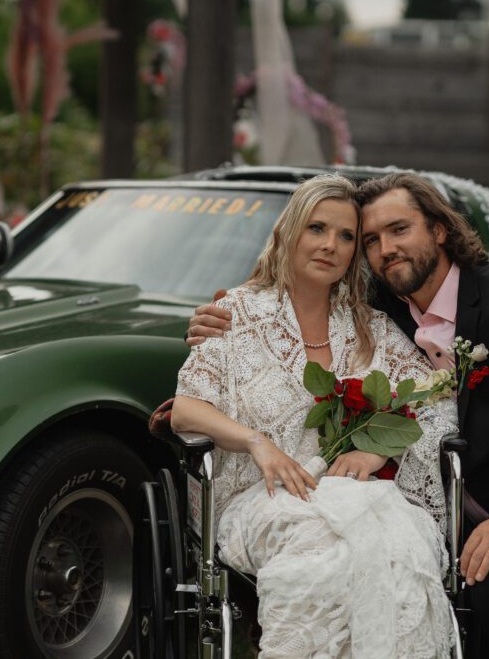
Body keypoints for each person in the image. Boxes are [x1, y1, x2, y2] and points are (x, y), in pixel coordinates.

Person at [188, 172, 489, 659]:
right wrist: (217, 328)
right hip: (449, 509)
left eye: (399, 229)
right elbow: (292, 313)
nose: (386, 249)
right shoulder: (381, 306)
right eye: (371, 240)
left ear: (439, 229)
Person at [171, 173, 456, 657]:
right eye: (317, 228)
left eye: (346, 236)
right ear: (289, 233)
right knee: (322, 552)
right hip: (260, 496)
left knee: (405, 548)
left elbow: (431, 396)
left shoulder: (370, 326)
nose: (330, 245)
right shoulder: (236, 314)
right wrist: (257, 443)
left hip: (356, 494)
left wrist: (374, 451)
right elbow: (185, 409)